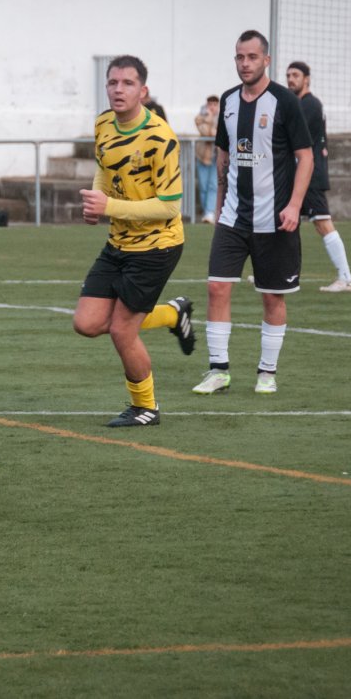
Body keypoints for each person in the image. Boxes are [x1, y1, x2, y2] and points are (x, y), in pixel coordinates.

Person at [74, 55, 196, 427]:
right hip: (119, 242)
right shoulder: (103, 124)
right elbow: (104, 165)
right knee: (87, 323)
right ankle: (174, 314)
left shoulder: (162, 138)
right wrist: (98, 202)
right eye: (113, 82)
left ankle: (146, 407)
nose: (118, 89)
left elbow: (170, 206)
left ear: (143, 90)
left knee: (122, 329)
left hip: (158, 245)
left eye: (127, 83)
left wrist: (110, 205)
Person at [193, 30, 313, 396]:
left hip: (274, 219)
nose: (244, 63)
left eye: (251, 57)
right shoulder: (228, 101)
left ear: (266, 60)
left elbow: (305, 157)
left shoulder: (284, 102)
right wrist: (217, 209)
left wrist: (293, 206)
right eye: (239, 57)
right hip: (232, 217)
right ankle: (218, 370)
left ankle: (267, 372)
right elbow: (223, 157)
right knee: (216, 287)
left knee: (272, 296)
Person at [285, 61, 351, 292]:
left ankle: (345, 278)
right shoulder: (301, 103)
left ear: (307, 79)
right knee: (284, 223)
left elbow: (289, 133)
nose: (290, 79)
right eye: (288, 75)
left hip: (310, 175)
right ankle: (283, 274)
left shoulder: (309, 104)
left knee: (322, 223)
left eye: (295, 75)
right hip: (298, 175)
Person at [194, 95, 220, 223]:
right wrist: (209, 119)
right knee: (203, 186)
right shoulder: (200, 117)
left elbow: (218, 133)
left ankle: (210, 212)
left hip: (217, 157)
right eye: (210, 104)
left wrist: (211, 128)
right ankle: (207, 212)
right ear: (207, 105)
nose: (212, 107)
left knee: (213, 185)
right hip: (202, 156)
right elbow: (207, 132)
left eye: (215, 104)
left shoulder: (223, 116)